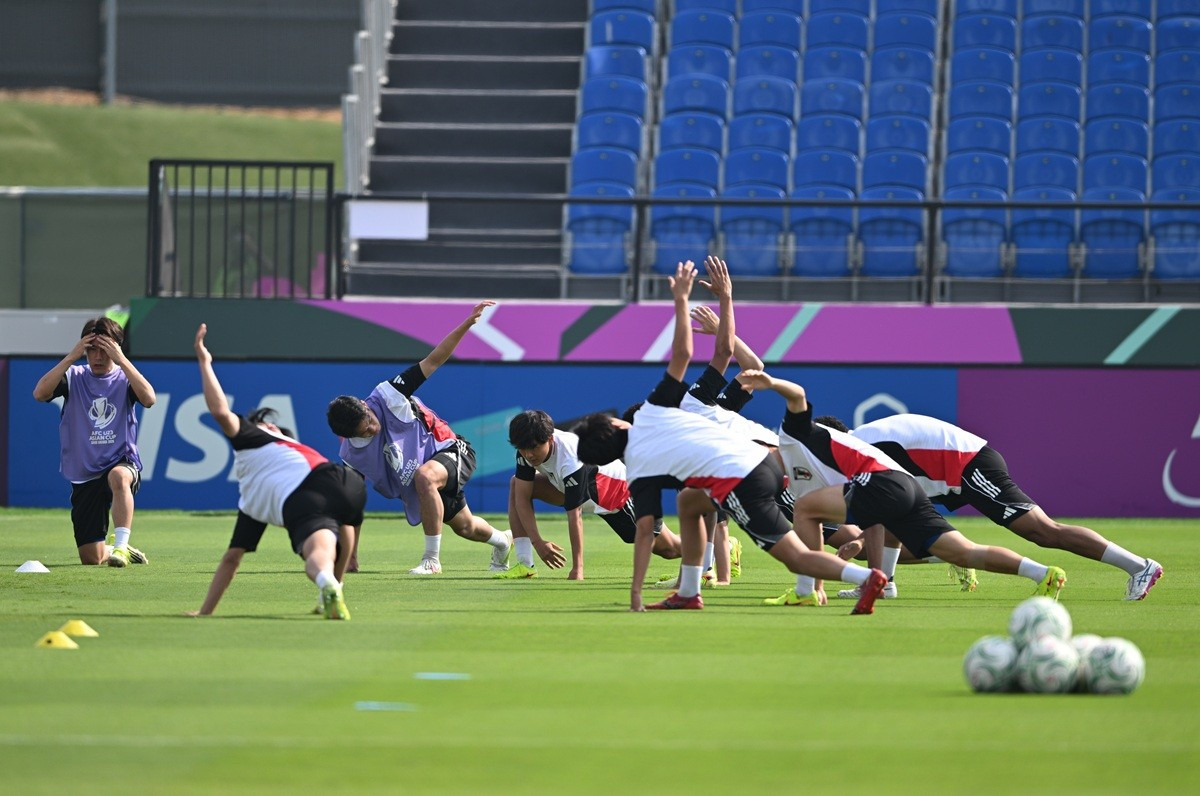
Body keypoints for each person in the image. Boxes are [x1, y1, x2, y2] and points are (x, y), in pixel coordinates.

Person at [575, 258, 888, 613]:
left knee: (797, 555)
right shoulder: (655, 409)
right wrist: (683, 301)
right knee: (690, 502)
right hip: (763, 461)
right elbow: (689, 353)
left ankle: (866, 578)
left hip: (747, 474)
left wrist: (635, 593)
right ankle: (690, 591)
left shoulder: (640, 470)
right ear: (617, 425)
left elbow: (646, 531)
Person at [736, 370, 1070, 606]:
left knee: (806, 508)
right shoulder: (799, 475)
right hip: (905, 487)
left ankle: (808, 590)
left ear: (766, 447)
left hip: (882, 481)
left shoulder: (791, 435)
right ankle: (1042, 573)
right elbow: (869, 519)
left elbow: (797, 395)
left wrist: (770, 383)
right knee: (963, 552)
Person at [818, 413, 1163, 601]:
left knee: (1042, 531)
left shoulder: (863, 447)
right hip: (948, 476)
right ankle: (886, 583)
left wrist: (861, 541)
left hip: (969, 467)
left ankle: (1140, 566)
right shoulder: (864, 442)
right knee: (891, 516)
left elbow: (879, 507)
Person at [189, 324, 364, 619]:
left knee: (314, 555)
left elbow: (231, 560)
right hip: (348, 482)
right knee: (335, 534)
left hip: (303, 497)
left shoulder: (250, 451)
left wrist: (204, 362)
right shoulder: (284, 452)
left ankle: (327, 583)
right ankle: (332, 588)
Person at [326, 302, 512, 575]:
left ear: (366, 407)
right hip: (425, 482)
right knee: (465, 527)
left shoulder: (389, 395)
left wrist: (467, 324)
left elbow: (434, 360)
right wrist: (350, 557)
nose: (372, 429)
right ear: (348, 436)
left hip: (451, 449)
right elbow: (352, 506)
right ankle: (503, 541)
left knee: (425, 477)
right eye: (364, 432)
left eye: (370, 421)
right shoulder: (352, 455)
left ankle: (431, 561)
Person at [502, 410, 682, 580]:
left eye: (533, 447)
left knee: (669, 550)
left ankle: (706, 559)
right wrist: (538, 543)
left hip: (618, 495)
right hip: (575, 489)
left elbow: (575, 516)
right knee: (516, 484)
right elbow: (522, 498)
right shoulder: (526, 449)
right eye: (523, 448)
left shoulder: (571, 459)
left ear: (550, 439)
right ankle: (526, 565)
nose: (529, 454)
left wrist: (577, 569)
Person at [32, 317, 154, 566]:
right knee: (92, 558)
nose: (97, 357)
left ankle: (120, 547)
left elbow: (149, 398)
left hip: (120, 460)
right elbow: (40, 393)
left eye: (104, 350)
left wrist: (121, 360)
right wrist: (70, 357)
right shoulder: (73, 376)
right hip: (84, 471)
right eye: (91, 349)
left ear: (116, 349)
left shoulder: (124, 377)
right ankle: (116, 549)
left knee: (119, 477)